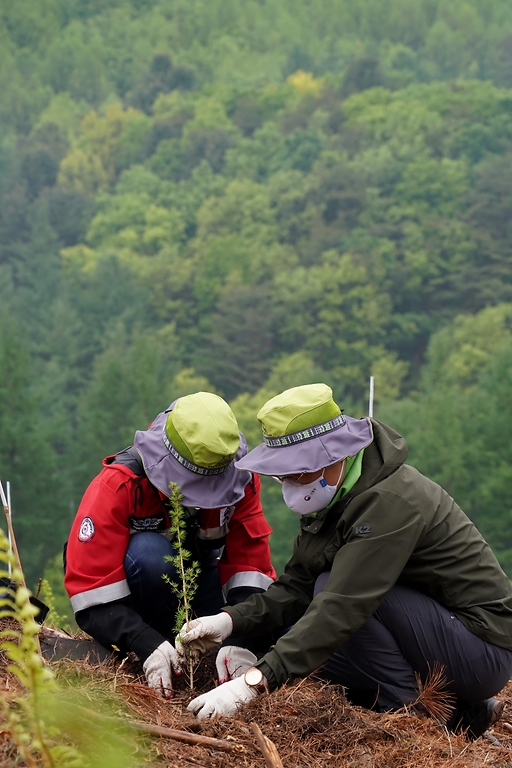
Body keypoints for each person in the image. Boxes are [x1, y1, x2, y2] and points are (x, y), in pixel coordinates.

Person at [176, 383, 512, 738]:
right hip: (428, 634)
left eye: (298, 471)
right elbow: (297, 586)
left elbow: (342, 606)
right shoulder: (333, 499)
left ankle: (416, 718)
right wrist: (231, 622)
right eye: (282, 474)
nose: (290, 483)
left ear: (335, 456)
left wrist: (252, 684)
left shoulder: (389, 502)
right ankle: (465, 713)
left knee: (328, 608)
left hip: (481, 648)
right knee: (308, 649)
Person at [64, 392, 276, 697]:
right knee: (149, 554)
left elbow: (251, 569)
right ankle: (160, 645)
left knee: (280, 619)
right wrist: (143, 641)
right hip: (135, 600)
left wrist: (240, 638)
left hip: (200, 586)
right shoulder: (118, 485)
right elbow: (91, 593)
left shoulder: (241, 481)